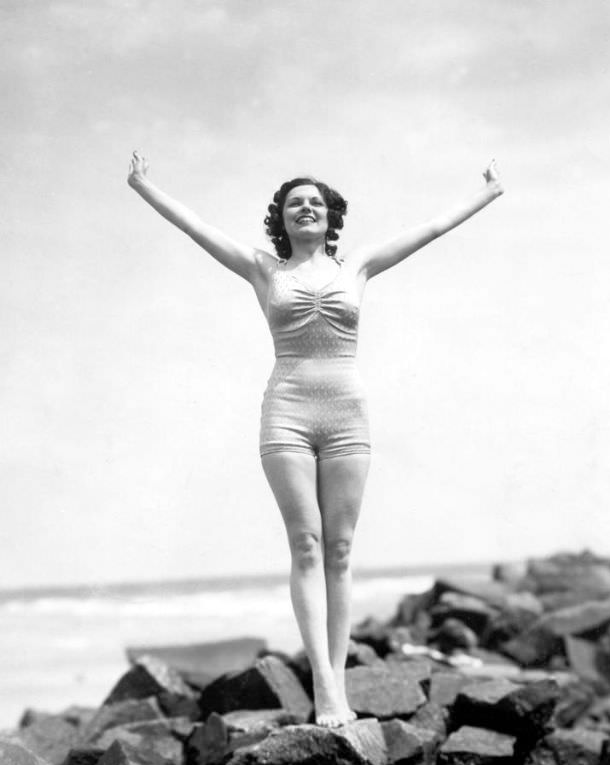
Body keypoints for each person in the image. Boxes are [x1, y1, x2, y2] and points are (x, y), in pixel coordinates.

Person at [127, 153, 504, 726]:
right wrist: (143, 185)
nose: (308, 208)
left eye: (318, 202)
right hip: (287, 415)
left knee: (341, 550)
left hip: (348, 417)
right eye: (296, 202)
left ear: (331, 220)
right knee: (306, 545)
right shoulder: (264, 270)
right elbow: (196, 227)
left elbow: (430, 229)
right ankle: (325, 689)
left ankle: (338, 681)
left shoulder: (358, 267)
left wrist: (488, 193)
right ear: (283, 218)